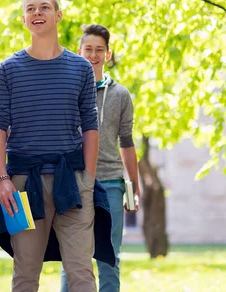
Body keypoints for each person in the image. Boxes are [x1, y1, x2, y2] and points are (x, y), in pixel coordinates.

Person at [0, 0, 113, 292]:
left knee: (82, 274)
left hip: (74, 183)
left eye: (44, 7)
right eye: (30, 9)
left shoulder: (80, 68)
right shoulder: (9, 69)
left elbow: (91, 126)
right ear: (23, 19)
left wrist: (89, 180)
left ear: (58, 15)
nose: (37, 12)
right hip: (24, 186)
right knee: (25, 274)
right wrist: (2, 180)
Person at [60, 24, 140, 292]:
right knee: (72, 259)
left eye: (99, 50)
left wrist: (134, 187)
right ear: (79, 52)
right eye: (88, 49)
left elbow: (127, 142)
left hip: (111, 183)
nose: (93, 55)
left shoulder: (121, 95)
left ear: (108, 54)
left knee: (109, 257)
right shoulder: (67, 91)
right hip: (73, 180)